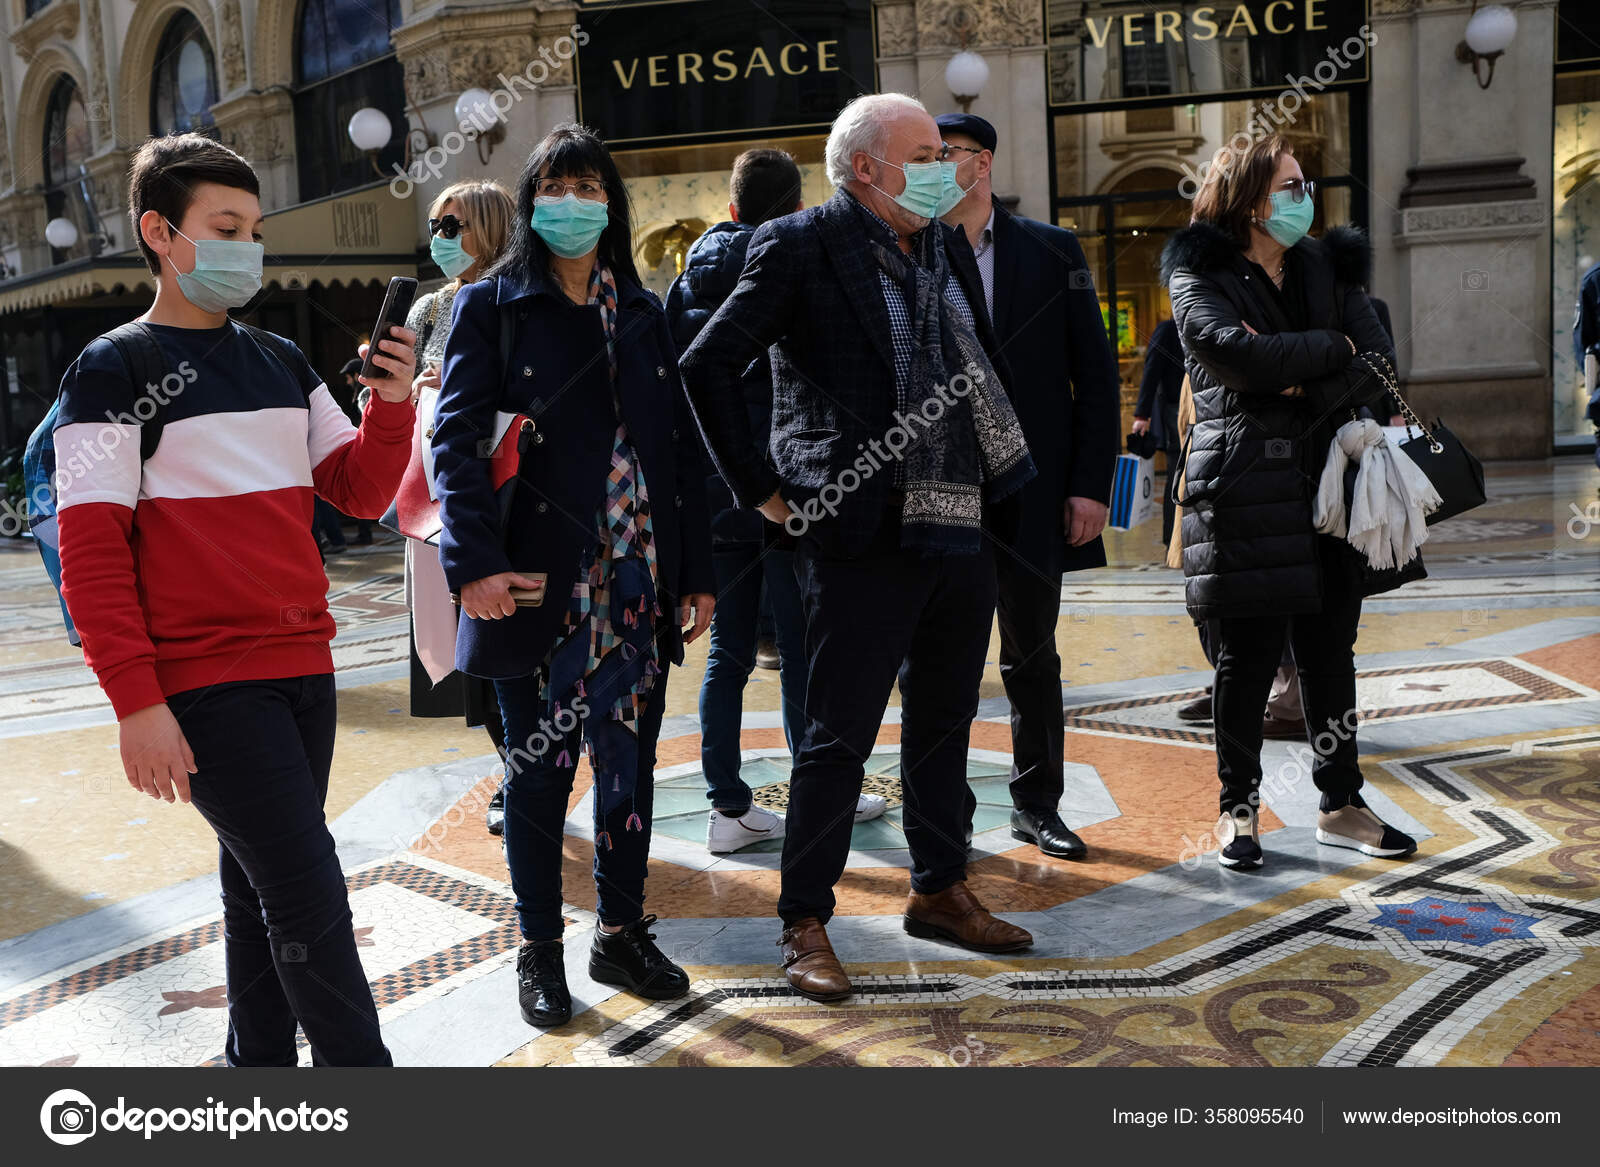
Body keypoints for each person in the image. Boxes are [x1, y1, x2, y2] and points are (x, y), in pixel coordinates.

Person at [54, 132, 415, 1065]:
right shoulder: (108, 370)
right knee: (307, 891)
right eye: (225, 226)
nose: (246, 246)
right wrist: (136, 701)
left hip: (305, 667)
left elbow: (360, 491)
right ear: (160, 232)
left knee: (261, 883)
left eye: (254, 228)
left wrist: (393, 406)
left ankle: (256, 1067)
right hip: (207, 683)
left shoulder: (283, 360)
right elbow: (91, 548)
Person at [681, 93, 1037, 1003]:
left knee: (944, 722)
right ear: (869, 168)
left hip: (959, 520)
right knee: (837, 739)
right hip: (853, 526)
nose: (946, 165)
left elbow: (983, 371)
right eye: (926, 152)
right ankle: (804, 921)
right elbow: (707, 363)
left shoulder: (944, 245)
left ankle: (939, 887)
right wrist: (764, 490)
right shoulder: (799, 243)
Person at [433, 125, 717, 1028]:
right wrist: (473, 562)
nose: (574, 200)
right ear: (530, 201)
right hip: (535, 585)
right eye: (557, 184)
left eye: (591, 185)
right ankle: (540, 949)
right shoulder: (497, 309)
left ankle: (622, 931)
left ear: (613, 202)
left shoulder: (645, 311)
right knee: (540, 774)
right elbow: (455, 444)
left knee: (629, 769)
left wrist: (698, 569)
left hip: (636, 584)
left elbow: (681, 448)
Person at [1161, 133, 1419, 871]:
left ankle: (1341, 804)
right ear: (1247, 198)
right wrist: (1330, 349)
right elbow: (1231, 354)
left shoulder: (1328, 266)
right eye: (1289, 187)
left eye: (1305, 185)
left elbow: (1377, 363)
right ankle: (1236, 813)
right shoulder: (1199, 274)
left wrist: (1301, 370)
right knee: (1244, 662)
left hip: (1334, 486)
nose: (1304, 199)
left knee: (1330, 655)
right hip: (1245, 489)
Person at [665, 148, 887, 853]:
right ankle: (821, 793)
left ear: (730, 208)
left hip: (714, 490)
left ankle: (726, 809)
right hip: (789, 488)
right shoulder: (798, 261)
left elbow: (682, 390)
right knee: (800, 649)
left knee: (728, 651)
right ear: (796, 207)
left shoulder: (684, 282)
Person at [938, 113, 1121, 863]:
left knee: (1031, 656)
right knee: (941, 660)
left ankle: (1037, 803)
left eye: (940, 155)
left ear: (980, 163)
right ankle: (947, 807)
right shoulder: (910, 249)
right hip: (944, 492)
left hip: (1036, 492)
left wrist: (1090, 486)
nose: (927, 166)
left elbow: (1097, 375)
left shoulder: (1052, 250)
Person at [397, 180, 517, 834]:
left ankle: (528, 768)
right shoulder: (426, 311)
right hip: (439, 502)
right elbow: (381, 417)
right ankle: (513, 765)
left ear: (492, 228)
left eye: (454, 225)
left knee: (512, 639)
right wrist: (406, 394)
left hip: (512, 495)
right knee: (465, 653)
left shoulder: (519, 298)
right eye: (435, 226)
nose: (439, 238)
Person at [1134, 315, 1184, 548]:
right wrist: (1142, 415)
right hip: (1175, 413)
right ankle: (1172, 540)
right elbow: (1151, 370)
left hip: (1194, 410)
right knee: (1177, 474)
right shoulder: (1168, 329)